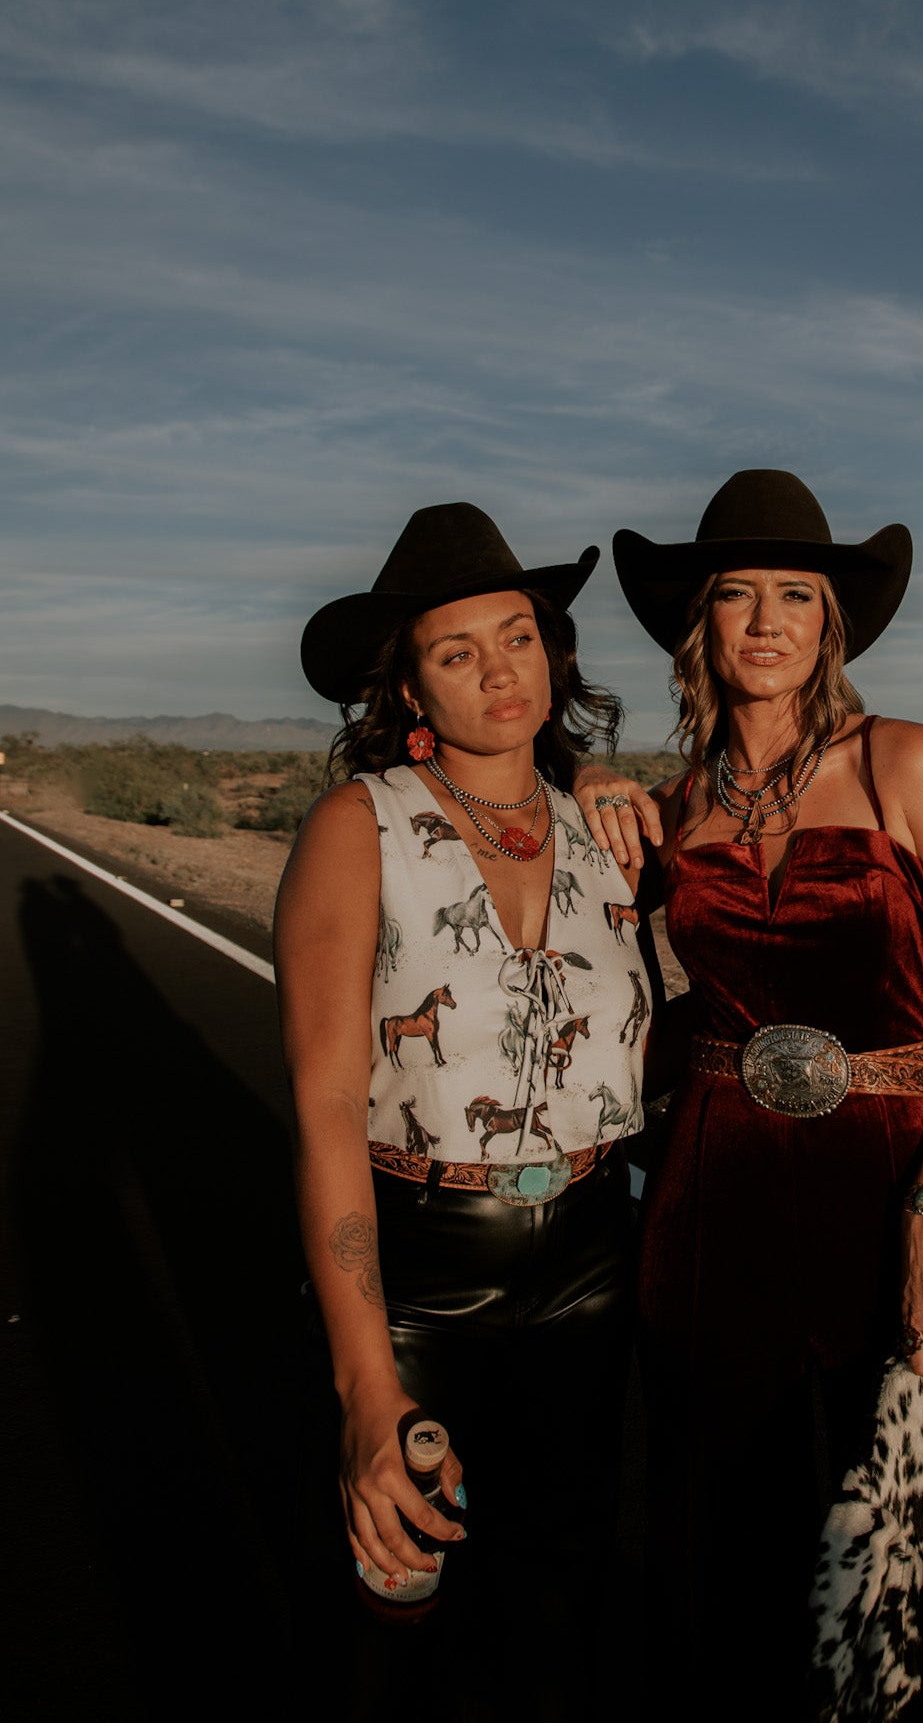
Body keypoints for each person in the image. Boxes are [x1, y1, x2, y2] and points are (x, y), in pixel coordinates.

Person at [576, 468, 923, 1716]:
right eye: (737, 594)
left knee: (911, 1533)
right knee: (726, 1536)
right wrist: (587, 793)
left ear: (832, 622)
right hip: (710, 1195)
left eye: (796, 594)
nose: (766, 619)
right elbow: (644, 1009)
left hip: (888, 1184)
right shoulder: (669, 809)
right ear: (700, 625)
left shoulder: (905, 763)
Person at [276, 502, 663, 1723]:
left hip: (598, 1259)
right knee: (403, 1589)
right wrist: (365, 1381)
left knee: (560, 1587)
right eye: (458, 651)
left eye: (520, 635)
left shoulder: (613, 835)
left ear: (555, 654)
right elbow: (329, 1104)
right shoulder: (360, 828)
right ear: (407, 689)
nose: (501, 668)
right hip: (425, 1264)